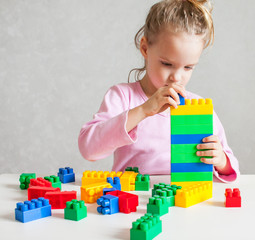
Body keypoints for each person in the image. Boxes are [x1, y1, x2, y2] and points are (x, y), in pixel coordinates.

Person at [78, 0, 239, 182]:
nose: (177, 77)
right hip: (135, 203)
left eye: (188, 67)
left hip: (185, 201)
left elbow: (231, 167)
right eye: (167, 64)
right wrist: (143, 110)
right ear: (145, 48)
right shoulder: (123, 97)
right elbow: (88, 149)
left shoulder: (198, 107)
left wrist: (221, 160)